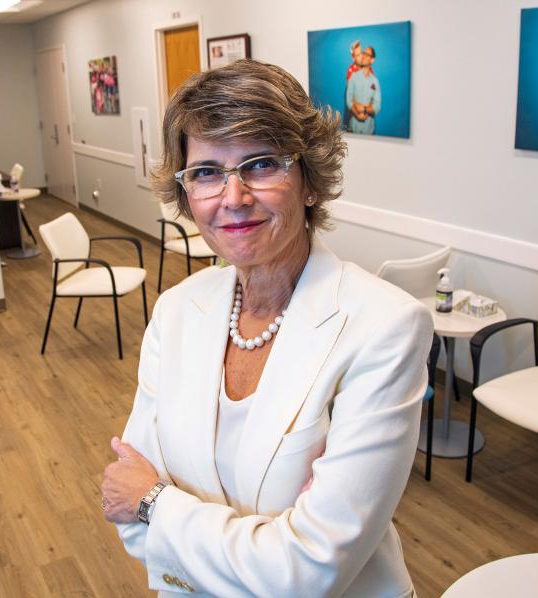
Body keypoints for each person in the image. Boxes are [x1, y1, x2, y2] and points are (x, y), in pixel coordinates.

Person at [101, 59, 433, 597]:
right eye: (207, 172)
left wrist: (156, 501)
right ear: (186, 193)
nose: (233, 197)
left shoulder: (385, 328)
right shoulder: (177, 311)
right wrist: (262, 547)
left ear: (309, 182)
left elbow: (307, 573)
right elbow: (128, 519)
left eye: (260, 165)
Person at [345, 46, 381, 135]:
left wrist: (364, 109)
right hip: (353, 127)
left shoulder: (375, 81)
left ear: (372, 60)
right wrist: (357, 114)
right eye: (363, 53)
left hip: (369, 129)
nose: (364, 56)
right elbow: (349, 100)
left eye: (367, 54)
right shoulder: (353, 76)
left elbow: (377, 106)